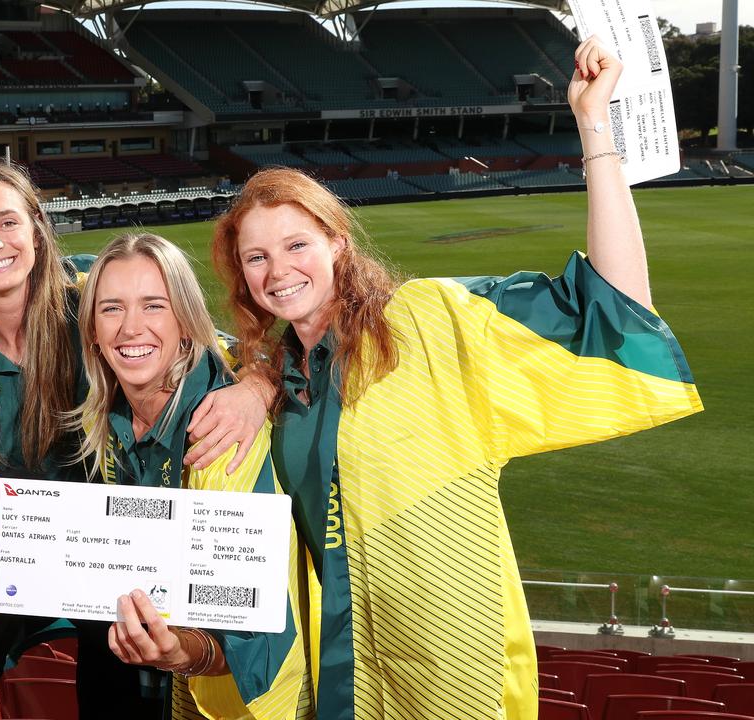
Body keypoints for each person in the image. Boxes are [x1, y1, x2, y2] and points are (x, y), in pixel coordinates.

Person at [209, 39, 702, 719]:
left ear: (338, 246)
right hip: (326, 690)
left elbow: (614, 310)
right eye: (256, 256)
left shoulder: (431, 323)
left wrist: (595, 127)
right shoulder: (274, 385)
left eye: (297, 245)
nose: (278, 270)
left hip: (445, 684)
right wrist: (255, 377)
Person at [0, 164, 274, 720]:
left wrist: (257, 386)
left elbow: (215, 343)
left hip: (100, 546)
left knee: (114, 631)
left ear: (38, 230)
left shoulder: (93, 299)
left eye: (7, 222)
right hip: (6, 551)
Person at [73, 232, 310, 719]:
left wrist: (181, 653)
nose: (130, 328)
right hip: (167, 680)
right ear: (92, 329)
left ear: (185, 320)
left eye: (153, 306)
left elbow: (261, 645)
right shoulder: (109, 414)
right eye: (112, 309)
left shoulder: (223, 438)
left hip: (253, 704)